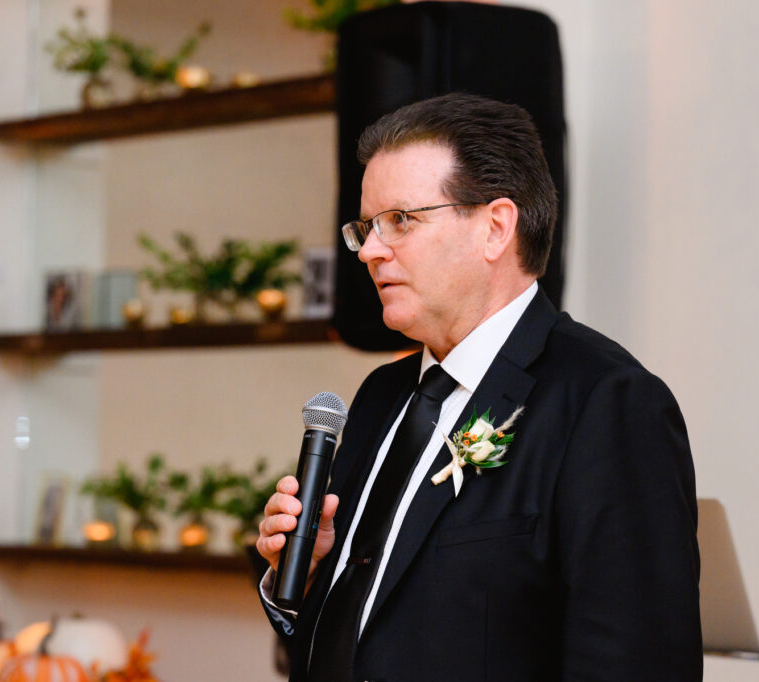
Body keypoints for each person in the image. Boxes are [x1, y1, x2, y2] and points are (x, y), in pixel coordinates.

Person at [257, 93, 702, 681]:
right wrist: (306, 574)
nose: (369, 250)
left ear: (495, 227)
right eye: (365, 227)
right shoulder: (381, 395)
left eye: (401, 220)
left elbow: (637, 663)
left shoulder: (604, 403)